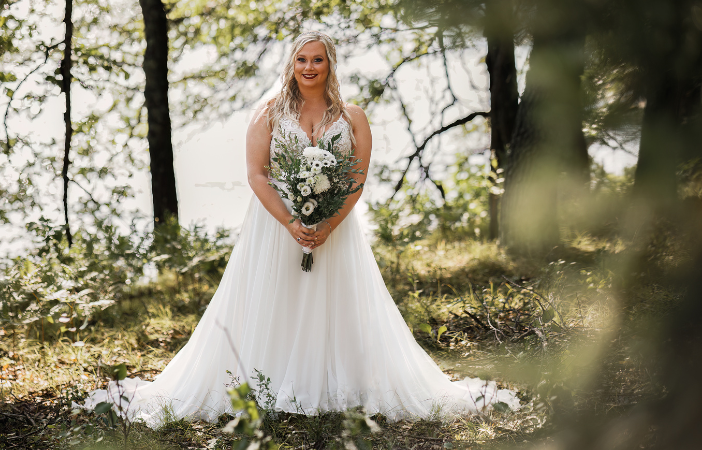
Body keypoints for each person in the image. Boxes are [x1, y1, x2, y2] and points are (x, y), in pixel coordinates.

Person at [77, 31, 519, 428]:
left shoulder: (352, 117)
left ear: (330, 65)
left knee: (335, 301)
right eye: (302, 59)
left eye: (318, 60)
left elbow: (357, 178)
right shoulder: (268, 113)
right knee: (273, 297)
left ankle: (332, 381)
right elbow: (256, 174)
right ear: (292, 64)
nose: (309, 67)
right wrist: (291, 222)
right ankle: (266, 380)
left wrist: (327, 224)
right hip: (275, 226)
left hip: (335, 228)